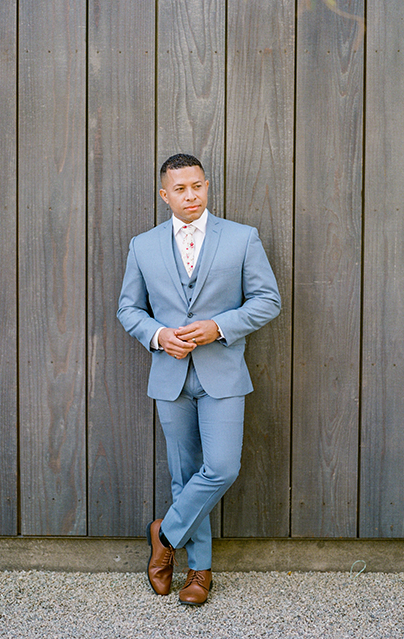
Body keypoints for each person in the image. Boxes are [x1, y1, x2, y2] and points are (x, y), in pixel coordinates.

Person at [117, 153, 281, 605]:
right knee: (185, 475)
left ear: (207, 186)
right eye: (181, 189)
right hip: (169, 378)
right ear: (164, 194)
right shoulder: (142, 245)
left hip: (223, 375)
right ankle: (199, 572)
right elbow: (128, 309)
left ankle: (164, 534)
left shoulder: (243, 238)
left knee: (222, 467)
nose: (191, 196)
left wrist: (220, 326)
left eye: (198, 186)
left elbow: (268, 301)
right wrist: (158, 335)